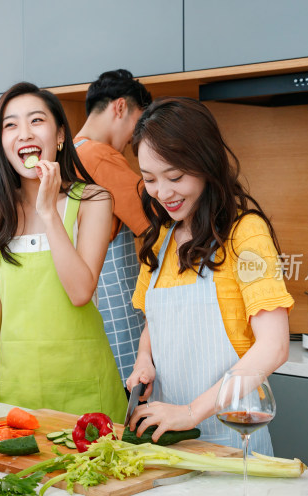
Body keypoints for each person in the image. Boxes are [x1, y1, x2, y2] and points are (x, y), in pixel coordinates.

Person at [125, 97, 294, 454]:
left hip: (234, 439)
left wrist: (191, 412)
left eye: (175, 176)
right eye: (150, 179)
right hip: (170, 441)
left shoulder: (246, 234)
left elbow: (274, 345)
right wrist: (145, 360)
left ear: (205, 164)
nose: (163, 193)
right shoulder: (161, 241)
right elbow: (154, 322)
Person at [0, 82, 127, 422]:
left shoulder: (94, 201)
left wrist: (49, 212)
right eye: (10, 125)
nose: (24, 133)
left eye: (36, 121)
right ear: (1, 144)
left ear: (59, 136)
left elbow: (80, 292)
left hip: (87, 392)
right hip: (18, 389)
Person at [73, 69, 152, 391]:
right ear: (119, 107)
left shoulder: (71, 153)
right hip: (114, 308)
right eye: (138, 123)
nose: (136, 138)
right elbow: (155, 217)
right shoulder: (98, 156)